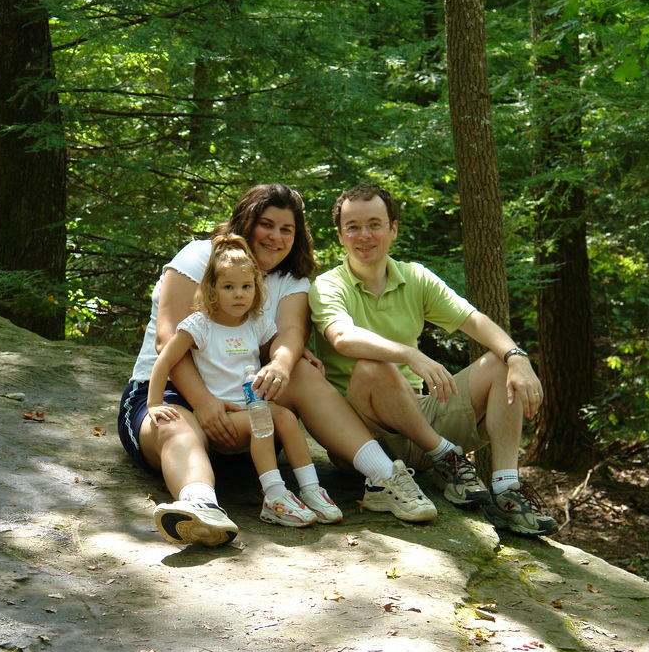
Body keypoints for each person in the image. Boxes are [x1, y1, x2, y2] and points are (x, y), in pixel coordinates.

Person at [118, 183, 436, 549]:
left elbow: (288, 334)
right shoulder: (199, 256)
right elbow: (167, 340)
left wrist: (284, 363)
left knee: (300, 368)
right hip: (171, 394)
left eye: (287, 229)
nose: (276, 236)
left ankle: (384, 477)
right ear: (245, 221)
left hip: (246, 415)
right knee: (179, 429)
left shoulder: (292, 279)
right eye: (266, 224)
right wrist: (203, 402)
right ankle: (200, 507)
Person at [308, 183, 559, 536]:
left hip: (418, 417)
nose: (364, 235)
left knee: (501, 363)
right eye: (353, 227)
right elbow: (343, 338)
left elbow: (475, 321)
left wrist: (517, 357)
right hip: (363, 436)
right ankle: (446, 457)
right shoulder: (328, 285)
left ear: (393, 229)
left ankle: (506, 491)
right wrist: (409, 354)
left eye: (375, 224)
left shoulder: (415, 277)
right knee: (373, 364)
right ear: (340, 236)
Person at [146, 235, 342, 533]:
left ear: (256, 288)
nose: (239, 295)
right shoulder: (200, 324)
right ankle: (274, 496)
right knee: (263, 418)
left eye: (246, 287)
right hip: (220, 418)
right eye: (229, 287)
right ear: (212, 289)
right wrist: (154, 403)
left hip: (249, 409)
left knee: (286, 417)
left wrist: (301, 351)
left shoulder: (256, 322)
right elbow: (165, 360)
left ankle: (311, 489)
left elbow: (278, 342)